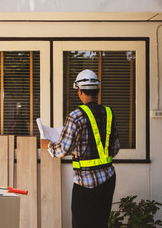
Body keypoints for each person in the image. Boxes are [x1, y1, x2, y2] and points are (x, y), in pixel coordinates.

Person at [40, 69, 120, 228]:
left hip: (85, 183)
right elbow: (115, 148)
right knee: (100, 224)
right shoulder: (109, 113)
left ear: (80, 91)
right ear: (97, 90)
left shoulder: (75, 116)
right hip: (108, 180)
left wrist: (48, 144)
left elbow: (61, 151)